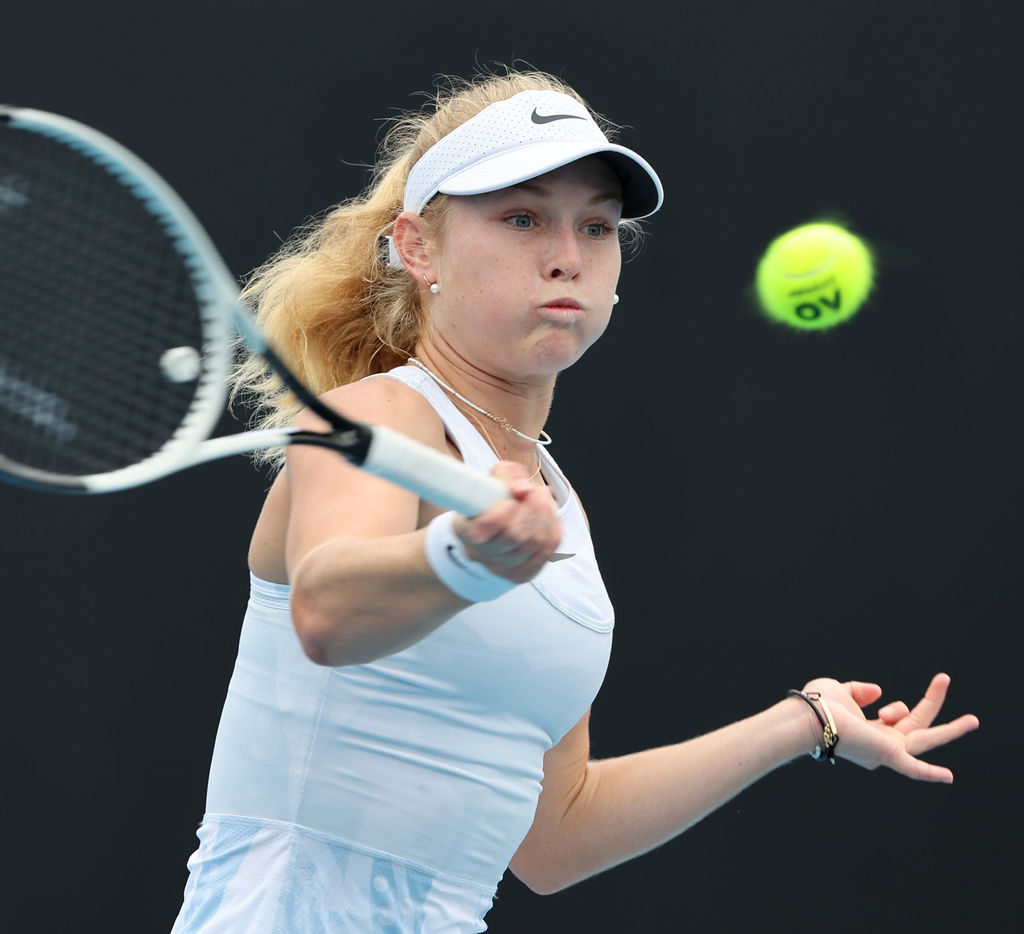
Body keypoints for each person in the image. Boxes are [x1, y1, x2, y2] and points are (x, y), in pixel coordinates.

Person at [170, 70, 979, 933]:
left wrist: (804, 721)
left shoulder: (558, 509)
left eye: (596, 226)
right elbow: (328, 613)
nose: (569, 254)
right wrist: (465, 559)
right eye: (522, 218)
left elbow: (555, 839)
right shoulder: (374, 416)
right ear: (418, 248)